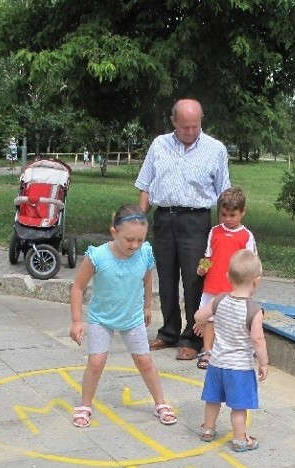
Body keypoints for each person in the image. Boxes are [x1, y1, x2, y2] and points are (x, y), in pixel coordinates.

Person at [135, 98, 231, 361]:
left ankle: (192, 337)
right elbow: (145, 185)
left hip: (196, 222)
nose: (190, 132)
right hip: (164, 219)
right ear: (173, 121)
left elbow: (224, 192)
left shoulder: (216, 149)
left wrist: (226, 233)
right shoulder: (159, 145)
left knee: (194, 280)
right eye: (185, 127)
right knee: (166, 279)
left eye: (196, 126)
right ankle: (168, 332)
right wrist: (137, 222)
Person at [69, 203, 177, 428]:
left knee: (144, 361)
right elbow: (78, 287)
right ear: (114, 232)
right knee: (96, 362)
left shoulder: (144, 252)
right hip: (101, 318)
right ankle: (85, 405)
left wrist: (148, 307)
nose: (134, 245)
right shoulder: (97, 256)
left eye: (140, 239)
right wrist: (77, 321)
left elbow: (147, 280)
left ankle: (161, 403)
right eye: (129, 239)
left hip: (132, 317)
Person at [193, 249, 268, 452]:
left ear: (228, 277)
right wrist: (263, 362)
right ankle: (240, 439)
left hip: (216, 363)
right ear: (256, 281)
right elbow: (257, 339)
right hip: (239, 368)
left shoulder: (219, 300)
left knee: (213, 399)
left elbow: (200, 315)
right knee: (238, 406)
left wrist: (200, 322)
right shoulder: (254, 310)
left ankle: (208, 429)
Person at [195, 186, 257, 370]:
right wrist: (203, 268)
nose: (228, 219)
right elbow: (209, 254)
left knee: (233, 320)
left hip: (234, 288)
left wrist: (251, 284)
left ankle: (233, 351)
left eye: (232, 215)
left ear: (242, 213)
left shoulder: (246, 236)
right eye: (223, 215)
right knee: (209, 320)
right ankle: (207, 351)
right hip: (212, 285)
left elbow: (251, 261)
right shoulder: (214, 231)